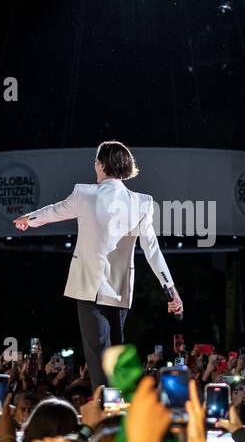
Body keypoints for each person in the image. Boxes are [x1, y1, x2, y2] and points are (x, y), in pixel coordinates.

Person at [13, 141, 182, 388]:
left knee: (98, 354)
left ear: (101, 165)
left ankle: (105, 408)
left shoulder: (85, 194)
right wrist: (170, 289)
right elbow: (152, 250)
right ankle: (117, 405)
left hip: (89, 286)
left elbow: (55, 211)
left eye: (96, 162)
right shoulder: (141, 203)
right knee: (115, 350)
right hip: (120, 289)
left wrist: (30, 218)